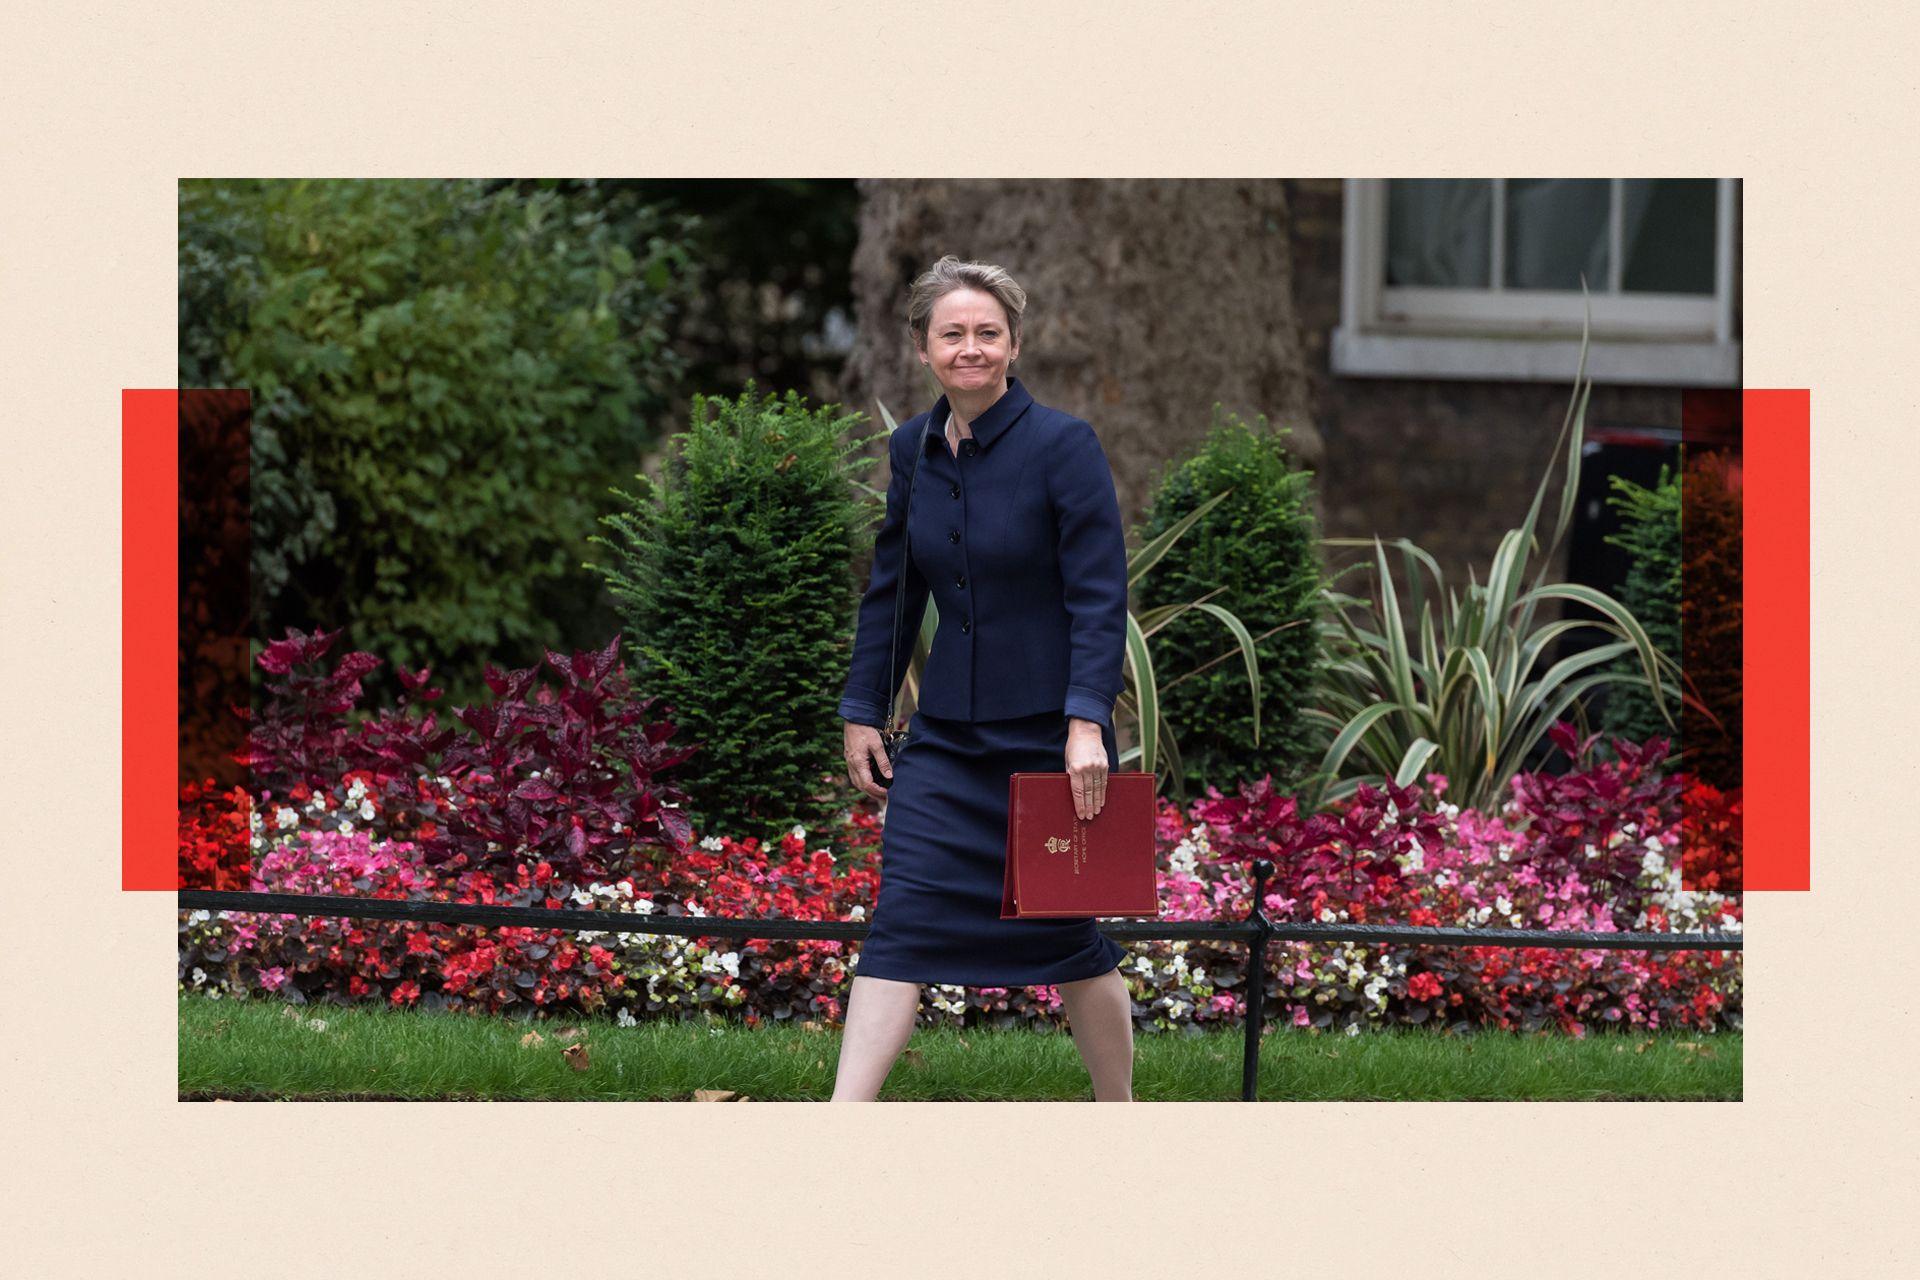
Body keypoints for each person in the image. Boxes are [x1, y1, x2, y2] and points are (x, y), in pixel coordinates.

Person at [831, 254, 1135, 1102]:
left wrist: (1086, 723)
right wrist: (865, 708)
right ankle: (840, 1120)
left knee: (1069, 940)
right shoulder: (912, 449)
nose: (972, 349)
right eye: (953, 334)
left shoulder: (1064, 446)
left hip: (1046, 738)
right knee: (902, 922)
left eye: (988, 333)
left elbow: (1099, 596)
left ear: (1014, 344)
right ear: (924, 351)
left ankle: (1123, 1113)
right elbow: (893, 594)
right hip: (945, 745)